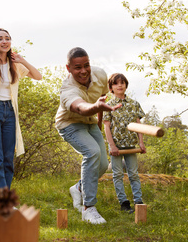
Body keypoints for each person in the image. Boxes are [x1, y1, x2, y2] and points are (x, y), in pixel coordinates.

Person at [55, 47, 121, 224]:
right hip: (69, 124)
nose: (83, 71)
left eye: (86, 65)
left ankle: (78, 188)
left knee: (102, 165)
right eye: (77, 67)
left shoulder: (100, 75)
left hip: (90, 123)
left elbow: (101, 99)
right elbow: (81, 108)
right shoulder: (67, 89)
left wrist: (98, 125)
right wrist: (96, 108)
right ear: (68, 68)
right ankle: (88, 208)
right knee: (92, 153)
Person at [0, 28, 42, 194]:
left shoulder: (15, 65)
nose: (4, 41)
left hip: (10, 112)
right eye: (0, 39)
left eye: (7, 38)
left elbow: (38, 76)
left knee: (8, 160)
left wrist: (22, 60)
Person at [103, 73, 146, 213]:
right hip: (116, 145)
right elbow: (106, 127)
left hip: (131, 145)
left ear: (126, 85)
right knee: (117, 175)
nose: (120, 85)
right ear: (111, 87)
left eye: (122, 83)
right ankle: (124, 203)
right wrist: (112, 146)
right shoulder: (108, 105)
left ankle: (138, 201)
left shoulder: (134, 104)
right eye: (116, 83)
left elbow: (139, 125)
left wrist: (141, 143)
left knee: (133, 173)